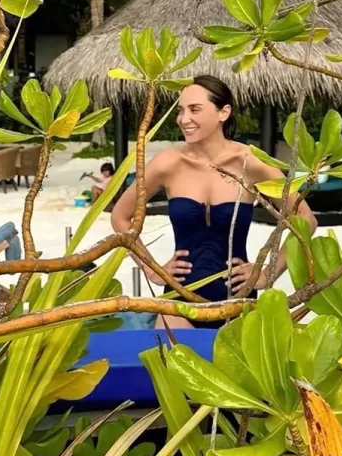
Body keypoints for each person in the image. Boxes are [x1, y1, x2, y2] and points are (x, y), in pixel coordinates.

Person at [111, 75, 317, 328]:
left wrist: (268, 273)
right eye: (181, 111)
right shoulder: (167, 163)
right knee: (170, 365)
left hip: (237, 298)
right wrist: (151, 268)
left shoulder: (251, 163)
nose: (184, 119)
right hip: (179, 299)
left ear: (224, 112)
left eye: (195, 109)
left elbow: (305, 219)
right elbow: (120, 217)